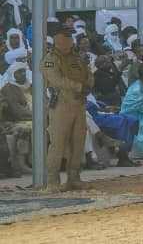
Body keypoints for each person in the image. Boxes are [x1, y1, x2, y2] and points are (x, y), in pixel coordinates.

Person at [40, 23, 93, 191]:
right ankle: (53, 181)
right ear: (57, 38)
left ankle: (74, 178)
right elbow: (55, 80)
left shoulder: (77, 58)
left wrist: (87, 86)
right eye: (66, 36)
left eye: (71, 36)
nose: (70, 40)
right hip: (62, 105)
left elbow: (88, 74)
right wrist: (78, 86)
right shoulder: (49, 60)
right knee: (58, 144)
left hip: (79, 104)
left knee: (78, 143)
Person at [0, 61, 33, 175]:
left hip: (34, 118)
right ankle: (22, 165)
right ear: (12, 74)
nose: (23, 74)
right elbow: (17, 112)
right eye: (19, 72)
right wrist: (38, 116)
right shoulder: (8, 89)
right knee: (23, 129)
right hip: (13, 121)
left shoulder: (31, 85)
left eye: (24, 71)